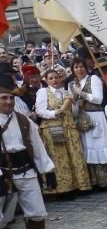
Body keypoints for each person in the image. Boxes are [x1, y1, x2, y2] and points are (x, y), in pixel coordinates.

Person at [0, 76, 57, 229]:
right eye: (3, 98)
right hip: (2, 175)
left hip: (26, 171)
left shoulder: (24, 121)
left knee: (37, 211)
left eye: (10, 98)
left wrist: (47, 170)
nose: (8, 101)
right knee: (1, 216)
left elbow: (37, 146)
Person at [68, 59, 107, 188]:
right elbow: (72, 103)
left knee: (104, 146)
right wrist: (76, 102)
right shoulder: (71, 84)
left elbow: (98, 99)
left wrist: (82, 94)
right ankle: (97, 181)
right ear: (73, 69)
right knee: (90, 149)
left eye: (81, 66)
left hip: (97, 116)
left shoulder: (94, 79)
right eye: (76, 67)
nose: (79, 69)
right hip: (83, 118)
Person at [34, 66, 91, 195]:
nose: (55, 80)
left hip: (69, 127)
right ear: (46, 80)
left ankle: (78, 185)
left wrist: (76, 105)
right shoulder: (43, 92)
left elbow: (73, 112)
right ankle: (63, 189)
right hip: (53, 127)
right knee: (59, 157)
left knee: (74, 155)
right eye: (51, 78)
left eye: (57, 77)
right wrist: (55, 112)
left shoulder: (66, 93)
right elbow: (40, 111)